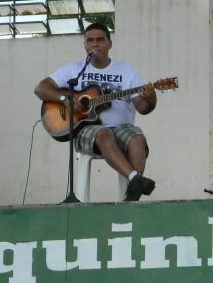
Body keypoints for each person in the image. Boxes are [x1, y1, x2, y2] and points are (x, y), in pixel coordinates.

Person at [34, 23, 157, 202]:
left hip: (122, 128)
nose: (95, 44)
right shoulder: (73, 70)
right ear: (85, 45)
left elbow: (143, 108)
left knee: (138, 138)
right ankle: (135, 179)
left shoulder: (127, 71)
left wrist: (151, 98)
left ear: (109, 44)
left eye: (100, 40)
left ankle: (131, 197)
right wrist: (65, 100)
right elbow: (40, 89)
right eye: (90, 40)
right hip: (88, 130)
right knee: (102, 133)